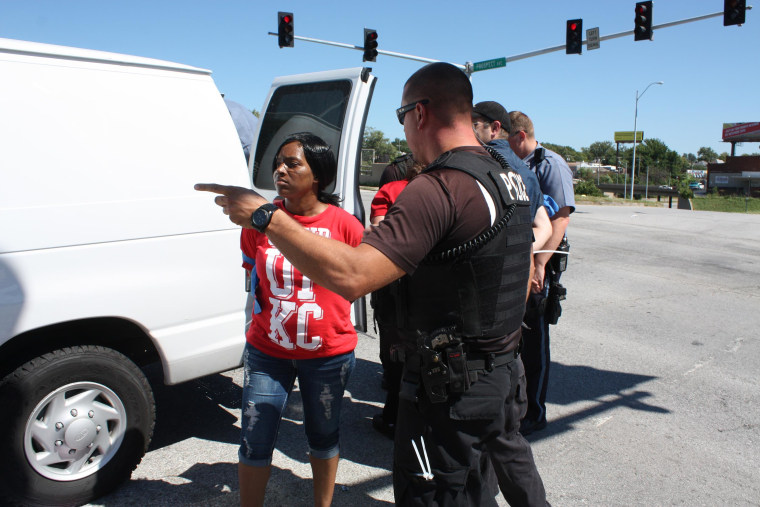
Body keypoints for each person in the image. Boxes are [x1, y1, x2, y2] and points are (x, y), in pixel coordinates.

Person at [196, 62, 547, 506]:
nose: (403, 133)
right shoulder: (507, 173)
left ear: (419, 113)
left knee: (431, 492)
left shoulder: (439, 186)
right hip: (500, 375)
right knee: (497, 484)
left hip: (448, 393)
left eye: (401, 118)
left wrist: (266, 216)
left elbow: (353, 276)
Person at [236, 132, 364, 507]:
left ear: (318, 175)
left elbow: (359, 281)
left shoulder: (346, 226)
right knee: (254, 439)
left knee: (323, 436)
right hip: (266, 353)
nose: (281, 169)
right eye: (279, 161)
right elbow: (252, 279)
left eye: (293, 163)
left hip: (328, 356)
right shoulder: (260, 221)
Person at [508, 111, 575, 435]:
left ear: (519, 136)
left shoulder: (550, 164)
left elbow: (561, 219)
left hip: (541, 263)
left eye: (507, 139)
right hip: (524, 259)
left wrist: (540, 263)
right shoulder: (516, 165)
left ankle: (535, 411)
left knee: (535, 340)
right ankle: (517, 404)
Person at [368, 157, 423, 439]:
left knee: (394, 350)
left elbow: (380, 232)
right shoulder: (447, 188)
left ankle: (394, 415)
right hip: (425, 286)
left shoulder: (391, 190)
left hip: (394, 284)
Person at [471, 100, 552, 253]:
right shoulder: (527, 173)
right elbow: (545, 227)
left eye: (474, 125)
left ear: (495, 128)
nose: (468, 131)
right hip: (517, 270)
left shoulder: (472, 164)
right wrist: (519, 253)